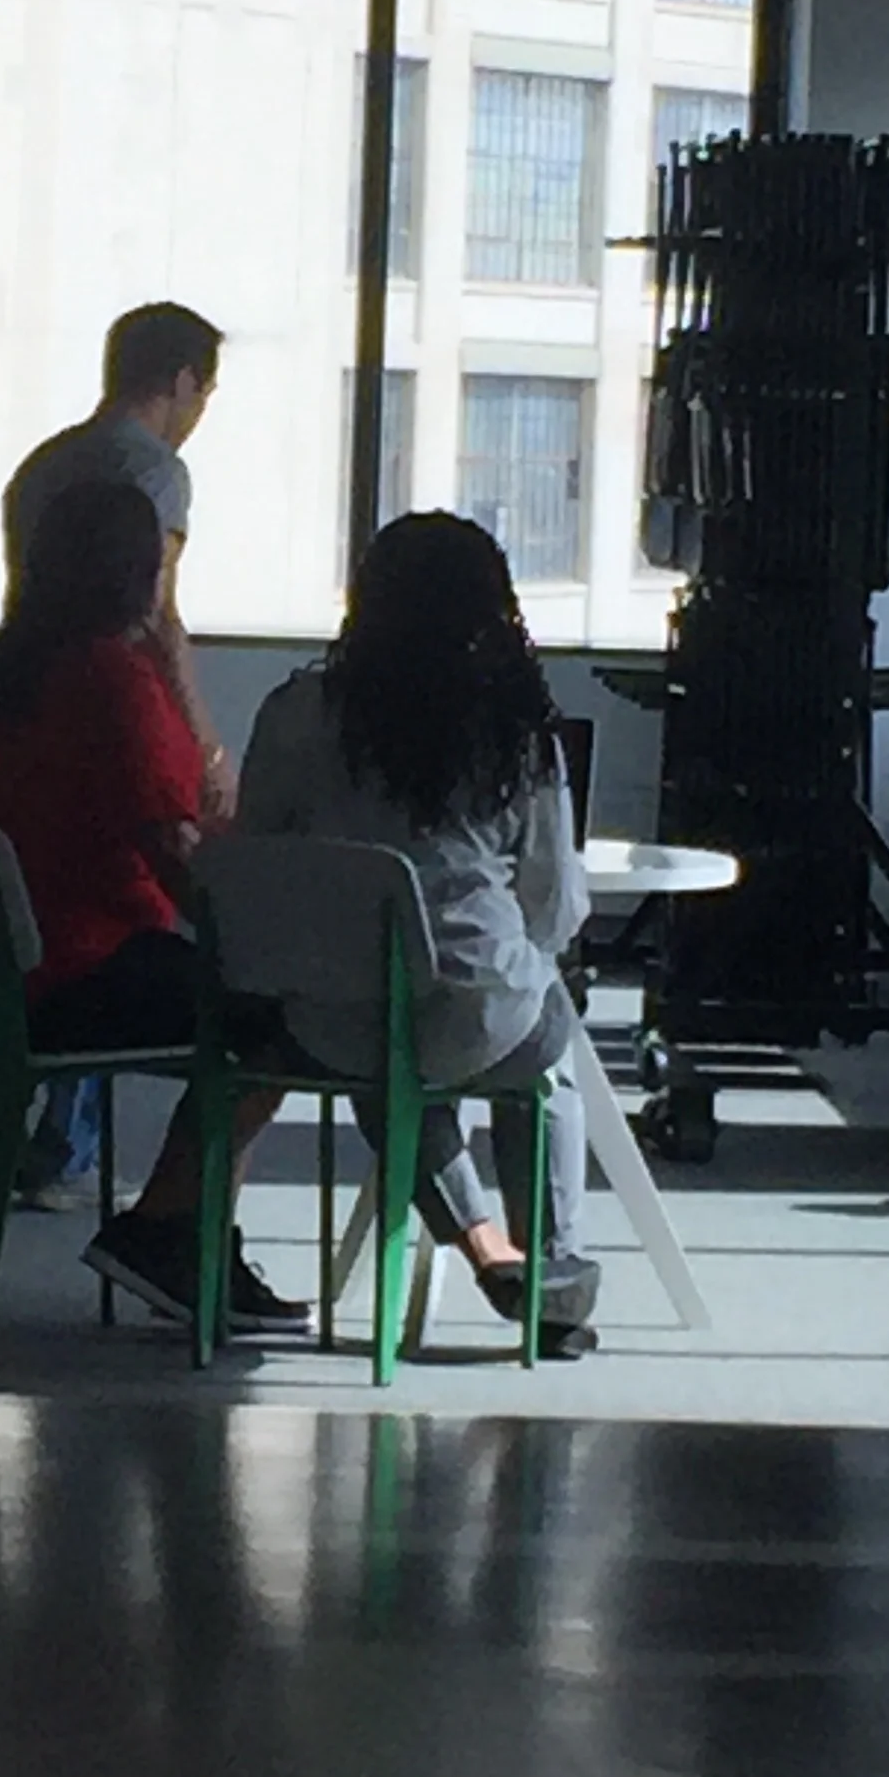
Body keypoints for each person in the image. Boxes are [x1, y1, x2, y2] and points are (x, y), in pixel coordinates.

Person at [236, 510, 601, 1356]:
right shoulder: (516, 731)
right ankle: (549, 1267)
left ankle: (480, 1241)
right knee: (544, 1051)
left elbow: (256, 852)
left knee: (380, 1047)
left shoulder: (298, 710)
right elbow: (553, 907)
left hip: (329, 1015)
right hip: (481, 1013)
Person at [0, 480, 305, 1332]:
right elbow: (180, 861)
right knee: (278, 1020)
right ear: (142, 570)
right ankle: (167, 1226)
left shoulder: (25, 670)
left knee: (247, 1005)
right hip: (84, 962)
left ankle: (192, 1240)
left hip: (10, 969)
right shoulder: (116, 680)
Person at [0, 299, 231, 1207]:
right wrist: (203, 742)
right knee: (146, 920)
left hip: (26, 701)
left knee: (66, 894)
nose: (204, 407)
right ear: (179, 381)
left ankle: (53, 1127)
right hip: (117, 721)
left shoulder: (41, 467)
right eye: (205, 388)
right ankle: (130, 1188)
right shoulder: (155, 474)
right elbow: (160, 618)